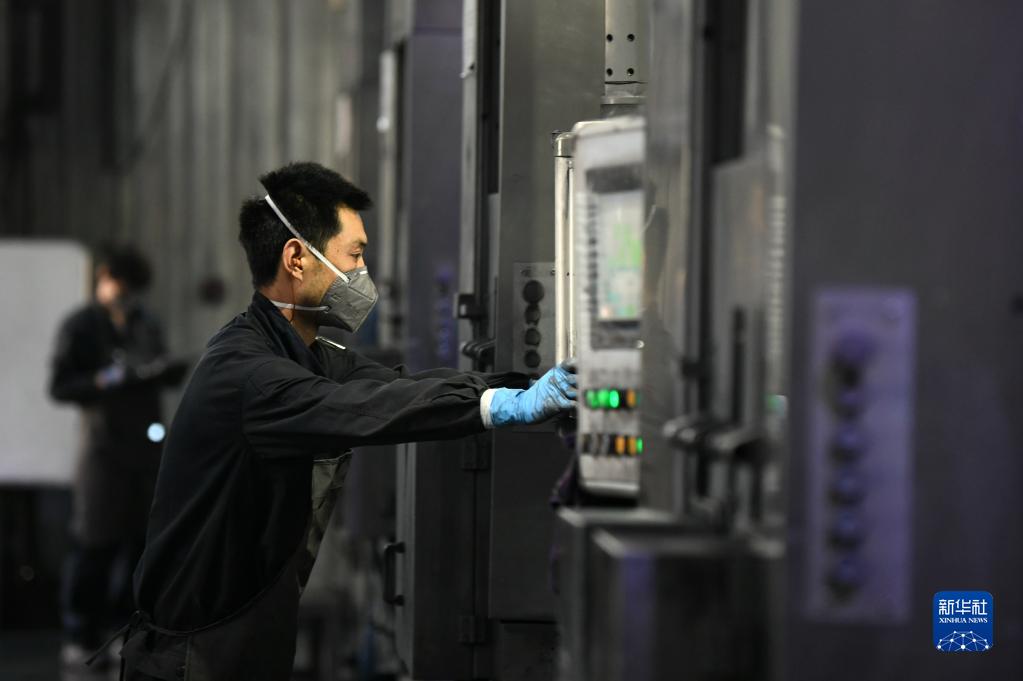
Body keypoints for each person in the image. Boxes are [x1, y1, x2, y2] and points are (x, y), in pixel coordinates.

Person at [119, 162, 576, 680]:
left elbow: (398, 388)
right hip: (193, 654)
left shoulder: (303, 352)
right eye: (354, 255)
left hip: (244, 630)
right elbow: (366, 410)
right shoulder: (252, 374)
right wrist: (505, 408)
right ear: (297, 258)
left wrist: (523, 388)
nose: (362, 273)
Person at [49, 244, 188, 671]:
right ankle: (80, 635)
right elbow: (60, 386)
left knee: (138, 547)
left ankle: (122, 633)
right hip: (102, 450)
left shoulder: (146, 322)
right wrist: (104, 379)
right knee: (94, 543)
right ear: (104, 278)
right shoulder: (81, 325)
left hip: (145, 447)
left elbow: (160, 366)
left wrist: (163, 370)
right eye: (122, 289)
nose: (127, 299)